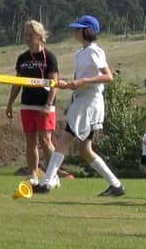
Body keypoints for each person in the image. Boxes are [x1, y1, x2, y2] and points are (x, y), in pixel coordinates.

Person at [34, 15, 124, 196]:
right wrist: (69, 86)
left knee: (63, 142)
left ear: (86, 31)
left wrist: (83, 80)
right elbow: (79, 82)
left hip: (89, 104)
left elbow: (108, 76)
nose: (75, 31)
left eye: (79, 28)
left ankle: (46, 183)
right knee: (85, 149)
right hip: (81, 101)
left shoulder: (94, 51)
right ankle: (115, 185)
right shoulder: (79, 53)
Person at [5, 20, 60, 187]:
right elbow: (17, 82)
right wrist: (10, 104)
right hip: (27, 104)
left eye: (31, 35)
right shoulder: (22, 58)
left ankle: (53, 175)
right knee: (30, 141)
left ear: (40, 36)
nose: (27, 38)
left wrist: (48, 104)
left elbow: (54, 83)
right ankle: (33, 175)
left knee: (45, 140)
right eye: (25, 35)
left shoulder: (49, 57)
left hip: (45, 106)